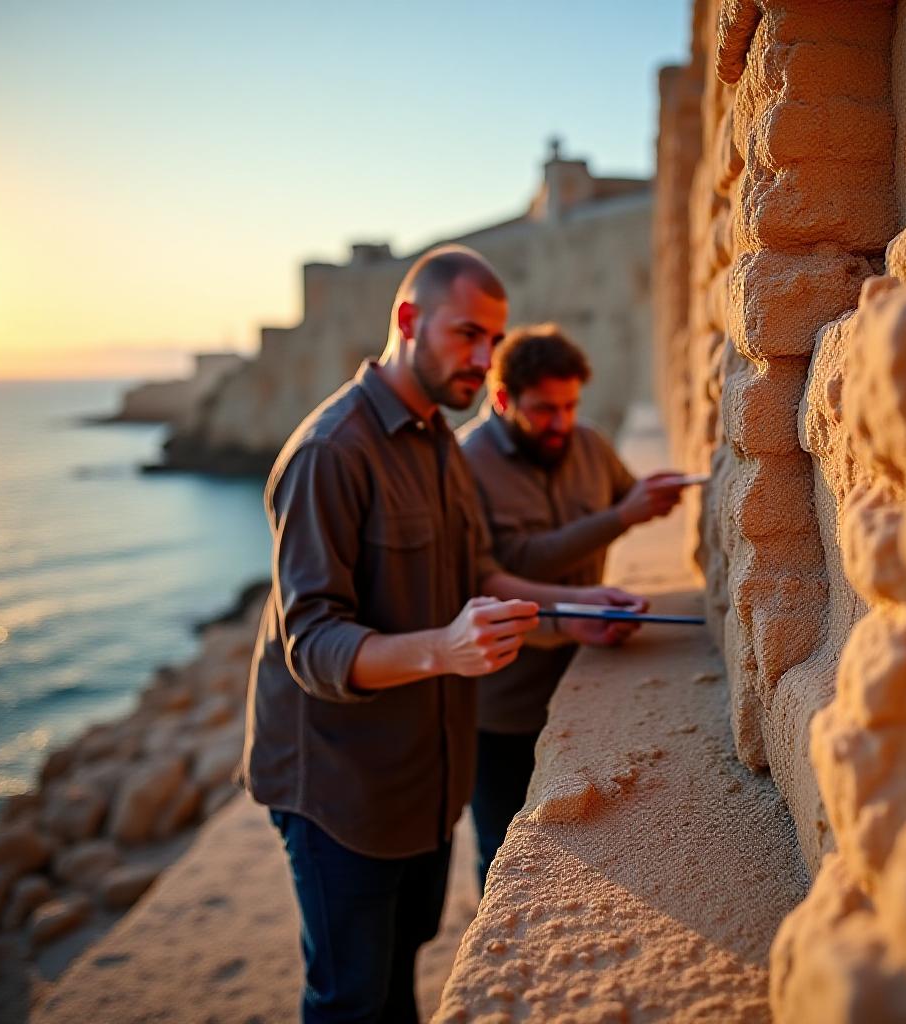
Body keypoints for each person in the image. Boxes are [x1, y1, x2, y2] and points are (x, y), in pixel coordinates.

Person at [241, 247, 646, 1024]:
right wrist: (444, 649)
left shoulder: (436, 439)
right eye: (467, 335)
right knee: (352, 1000)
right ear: (407, 321)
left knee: (401, 975)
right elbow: (313, 646)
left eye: (492, 340)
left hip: (425, 775)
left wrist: (571, 607)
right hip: (339, 786)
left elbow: (481, 573)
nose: (484, 359)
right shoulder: (330, 452)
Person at [459, 323, 684, 890]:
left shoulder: (587, 443)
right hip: (502, 706)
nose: (561, 423)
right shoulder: (464, 465)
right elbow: (510, 566)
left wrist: (656, 496)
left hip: (587, 669)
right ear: (502, 398)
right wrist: (619, 519)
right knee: (502, 849)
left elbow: (626, 496)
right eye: (543, 410)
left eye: (570, 406)